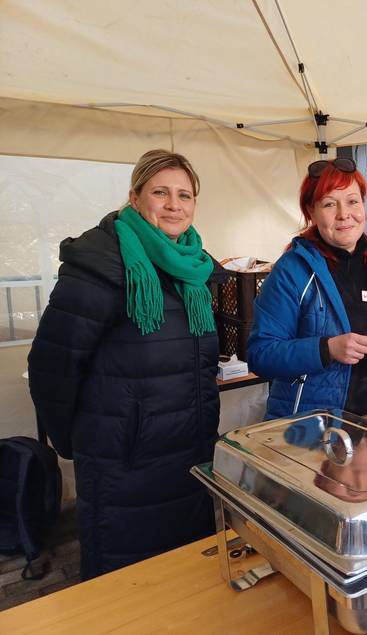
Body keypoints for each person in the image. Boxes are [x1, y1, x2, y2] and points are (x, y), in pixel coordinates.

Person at [28, 149, 221, 579]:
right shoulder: (102, 265)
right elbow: (51, 367)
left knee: (186, 580)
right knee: (127, 584)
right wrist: (75, 443)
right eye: (160, 192)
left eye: (185, 195)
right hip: (124, 460)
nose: (174, 205)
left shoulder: (196, 268)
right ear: (135, 198)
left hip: (188, 451)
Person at [248, 157, 367, 417]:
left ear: (363, 204)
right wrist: (326, 349)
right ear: (311, 211)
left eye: (352, 201)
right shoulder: (292, 272)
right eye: (330, 204)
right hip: (314, 427)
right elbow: (261, 355)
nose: (344, 214)